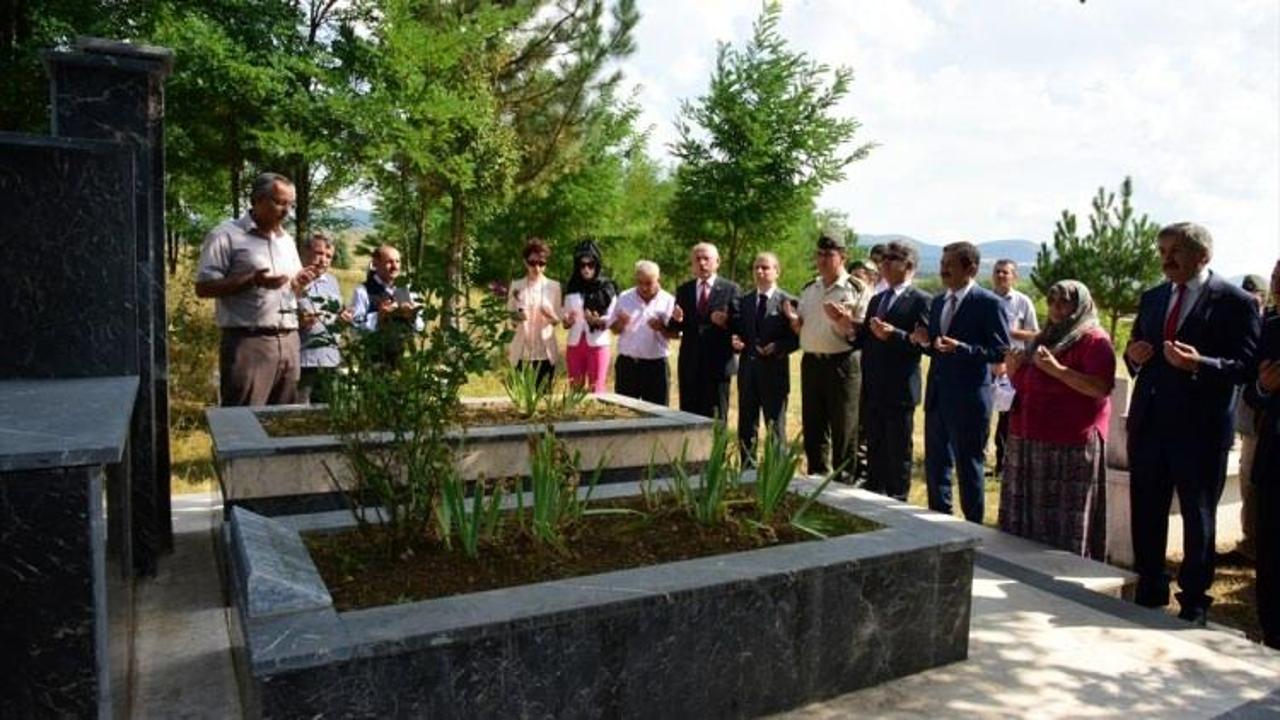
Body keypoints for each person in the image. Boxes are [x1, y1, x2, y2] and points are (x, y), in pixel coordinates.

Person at [1124, 222, 1260, 626]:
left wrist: (1199, 364)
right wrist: (1134, 355)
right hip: (1149, 425)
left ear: (1203, 255)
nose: (1166, 260)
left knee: (1198, 516)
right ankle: (1150, 589)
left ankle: (1194, 602)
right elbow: (1134, 356)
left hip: (1199, 430)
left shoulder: (1235, 302)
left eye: (1175, 251)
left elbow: (1245, 366)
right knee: (1146, 509)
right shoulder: (1153, 297)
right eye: (1162, 251)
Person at [999, 280, 1115, 558]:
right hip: (1029, 436)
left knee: (1063, 518)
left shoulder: (1094, 340)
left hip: (1069, 444)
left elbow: (1099, 388)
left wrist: (1058, 369)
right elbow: (1029, 384)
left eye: (1064, 302)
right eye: (1051, 302)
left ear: (1080, 306)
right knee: (1028, 516)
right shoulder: (1044, 338)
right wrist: (1014, 372)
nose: (1056, 309)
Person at [195, 172, 317, 406]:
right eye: (280, 203)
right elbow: (203, 287)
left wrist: (299, 283)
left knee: (286, 420)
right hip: (248, 343)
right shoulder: (225, 236)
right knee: (244, 421)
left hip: (290, 340)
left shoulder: (286, 241)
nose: (286, 211)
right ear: (256, 200)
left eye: (290, 205)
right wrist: (252, 280)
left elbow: (291, 288)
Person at [910, 241, 1010, 523]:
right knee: (936, 465)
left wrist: (963, 348)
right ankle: (938, 520)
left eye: (949, 266)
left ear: (971, 268)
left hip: (969, 400)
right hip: (938, 396)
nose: (943, 271)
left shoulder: (989, 303)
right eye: (942, 266)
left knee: (968, 466)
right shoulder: (939, 301)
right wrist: (924, 342)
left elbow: (1000, 351)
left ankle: (974, 527)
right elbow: (936, 347)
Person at [782, 233, 872, 480]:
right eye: (819, 254)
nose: (822, 259)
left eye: (829, 255)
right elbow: (804, 326)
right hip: (812, 362)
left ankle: (844, 484)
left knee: (844, 428)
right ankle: (817, 479)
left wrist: (845, 322)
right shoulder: (810, 288)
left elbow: (861, 332)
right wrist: (794, 322)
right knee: (814, 426)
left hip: (842, 363)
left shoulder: (857, 288)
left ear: (843, 257)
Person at [857, 241, 931, 500]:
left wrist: (895, 335)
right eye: (883, 259)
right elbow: (865, 338)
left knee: (898, 449)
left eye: (891, 259)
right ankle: (873, 493)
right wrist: (845, 324)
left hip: (900, 387)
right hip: (873, 384)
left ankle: (897, 498)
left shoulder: (921, 300)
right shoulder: (877, 299)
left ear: (908, 265)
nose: (883, 264)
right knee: (875, 444)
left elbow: (924, 343)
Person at [730, 252, 799, 465]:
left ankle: (775, 472)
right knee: (747, 425)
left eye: (765, 267)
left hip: (774, 373)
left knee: (774, 427)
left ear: (777, 271)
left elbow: (797, 339)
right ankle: (747, 471)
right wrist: (735, 341)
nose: (760, 271)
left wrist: (778, 347)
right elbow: (738, 332)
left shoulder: (788, 302)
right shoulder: (743, 301)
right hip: (748, 373)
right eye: (756, 267)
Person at [1245, 285, 1280, 649]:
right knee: (1270, 551)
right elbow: (1251, 392)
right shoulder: (1270, 327)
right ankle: (1272, 634)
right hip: (1274, 457)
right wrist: (1264, 387)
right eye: (1276, 276)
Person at [669, 243, 741, 420]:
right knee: (688, 416)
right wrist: (676, 320)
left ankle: (716, 449)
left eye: (706, 259)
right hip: (690, 364)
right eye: (697, 259)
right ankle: (690, 449)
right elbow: (676, 328)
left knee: (716, 417)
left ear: (717, 262)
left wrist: (726, 322)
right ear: (692, 264)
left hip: (717, 364)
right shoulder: (684, 290)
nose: (702, 263)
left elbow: (740, 324)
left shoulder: (731, 289)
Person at [1231, 273, 1270, 560]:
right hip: (1248, 421)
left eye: (1254, 294)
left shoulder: (1269, 325)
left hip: (1265, 421)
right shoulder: (1243, 322)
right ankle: (1250, 543)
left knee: (1257, 485)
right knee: (1249, 483)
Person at [991, 259, 1040, 477]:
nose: (1001, 276)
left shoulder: (1023, 302)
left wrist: (1013, 333)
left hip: (1012, 366)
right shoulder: (984, 300)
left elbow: (1035, 334)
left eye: (1006, 272)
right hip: (987, 365)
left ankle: (1004, 465)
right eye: (997, 272)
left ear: (1014, 277)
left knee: (1007, 418)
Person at [611, 260, 677, 406]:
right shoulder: (624, 297)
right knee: (623, 413)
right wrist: (620, 323)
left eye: (649, 283)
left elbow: (676, 335)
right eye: (640, 282)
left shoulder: (668, 300)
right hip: (627, 365)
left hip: (656, 367)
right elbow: (614, 330)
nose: (644, 287)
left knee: (657, 415)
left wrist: (661, 327)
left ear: (658, 280)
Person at [296, 233, 353, 404]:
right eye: (319, 253)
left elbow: (336, 318)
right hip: (303, 362)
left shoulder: (332, 282)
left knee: (329, 414)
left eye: (329, 256)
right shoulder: (295, 279)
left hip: (331, 361)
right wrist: (300, 320)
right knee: (300, 415)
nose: (324, 260)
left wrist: (343, 319)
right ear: (304, 252)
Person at [349, 244, 421, 365]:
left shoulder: (408, 289)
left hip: (403, 362)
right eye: (389, 262)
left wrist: (412, 317)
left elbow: (420, 327)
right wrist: (379, 317)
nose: (395, 266)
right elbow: (355, 332)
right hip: (373, 364)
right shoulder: (363, 291)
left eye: (398, 261)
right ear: (376, 263)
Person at [562, 239, 617, 393]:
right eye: (582, 265)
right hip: (574, 344)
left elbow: (613, 317)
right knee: (575, 391)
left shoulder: (607, 287)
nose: (586, 269)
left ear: (597, 265)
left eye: (590, 264)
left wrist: (598, 321)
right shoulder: (572, 286)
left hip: (598, 344)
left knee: (596, 389)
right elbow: (565, 318)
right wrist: (567, 322)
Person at [506, 238, 561, 387]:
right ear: (525, 262)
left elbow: (557, 321)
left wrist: (550, 316)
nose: (537, 267)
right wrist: (518, 316)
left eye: (541, 263)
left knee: (543, 398)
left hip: (545, 351)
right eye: (532, 263)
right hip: (521, 351)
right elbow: (509, 317)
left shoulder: (554, 286)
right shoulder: (516, 285)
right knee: (520, 398)